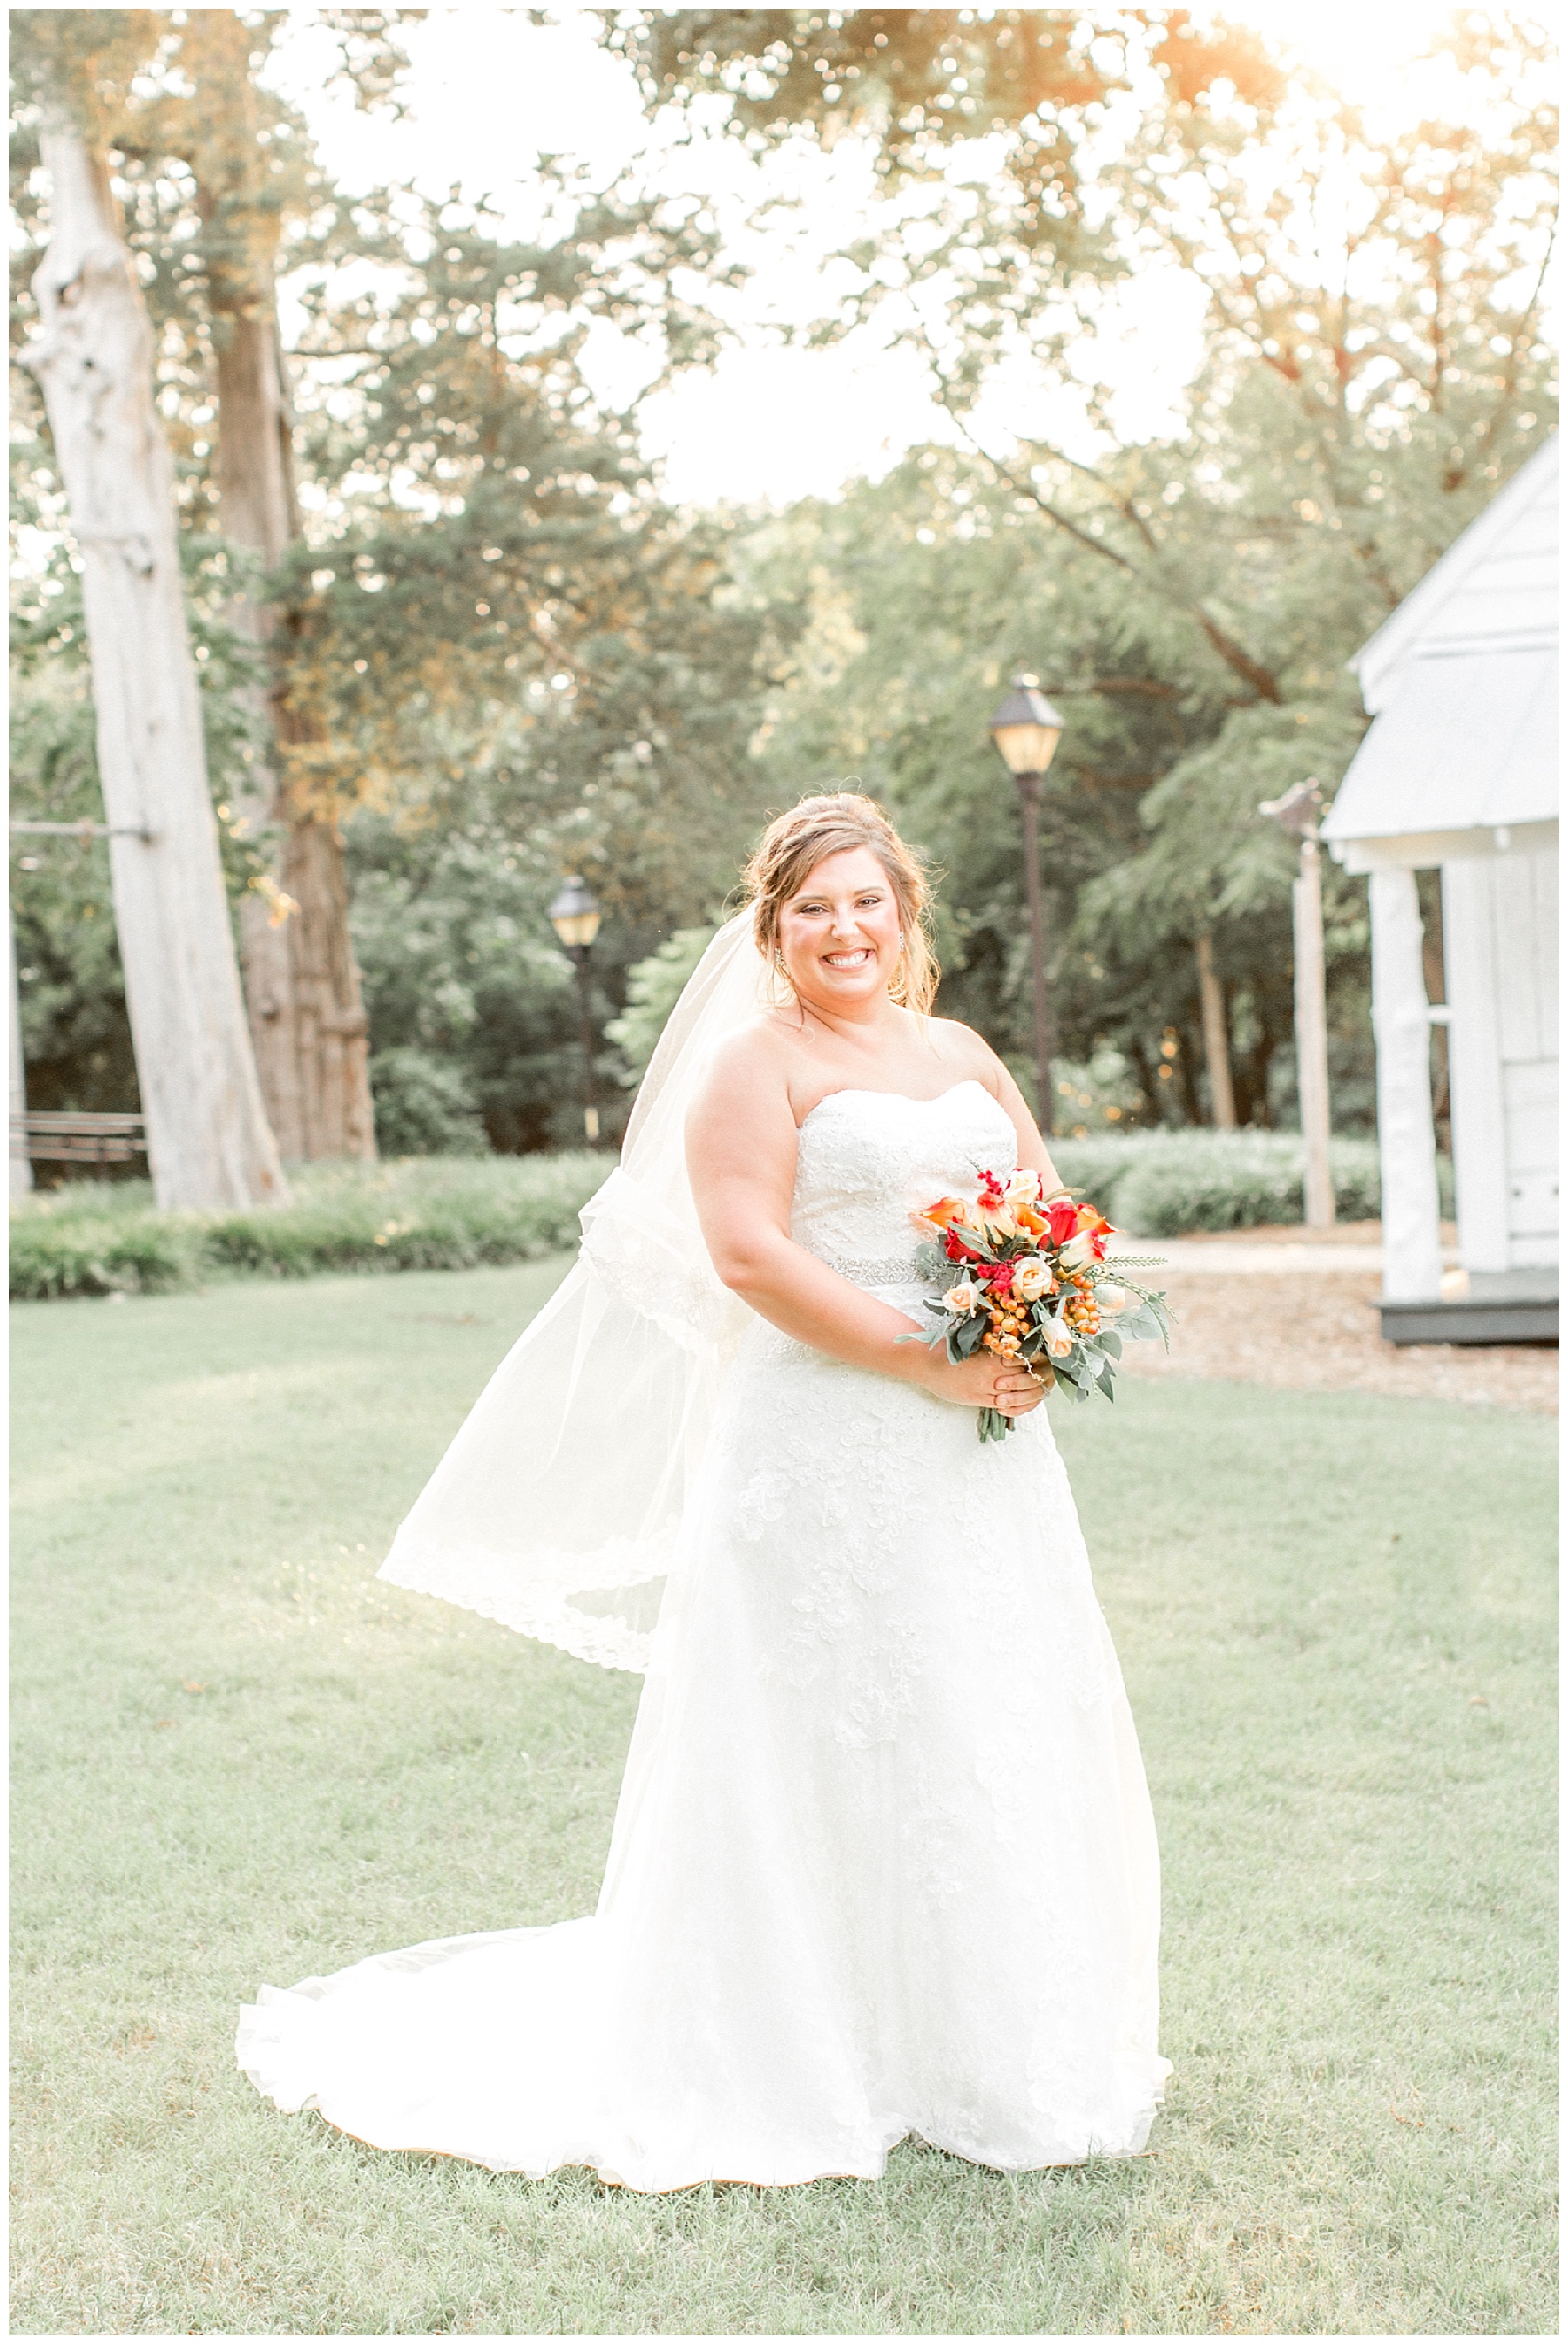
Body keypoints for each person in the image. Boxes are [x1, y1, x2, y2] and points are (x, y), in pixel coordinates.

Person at [237, 792, 1169, 2192]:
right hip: (824, 1443)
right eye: (813, 910)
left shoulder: (963, 1051)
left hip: (983, 1452)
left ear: (904, 913)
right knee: (817, 1736)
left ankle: (983, 2045)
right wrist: (930, 1360)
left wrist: (1044, 1318)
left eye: (866, 902)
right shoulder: (755, 1064)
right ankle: (802, 2053)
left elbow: (1048, 1204)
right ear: (774, 929)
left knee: (987, 1710)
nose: (844, 929)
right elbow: (749, 1256)